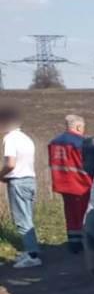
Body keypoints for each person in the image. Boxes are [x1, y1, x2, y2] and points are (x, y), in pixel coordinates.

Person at [48, 114, 94, 254]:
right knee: (84, 215)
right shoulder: (83, 143)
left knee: (70, 215)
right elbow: (90, 165)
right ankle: (85, 243)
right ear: (79, 127)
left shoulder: (54, 142)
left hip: (63, 184)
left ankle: (74, 243)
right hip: (82, 184)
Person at [1, 105, 40, 269]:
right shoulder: (26, 138)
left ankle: (32, 255)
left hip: (18, 182)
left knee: (22, 220)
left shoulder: (10, 139)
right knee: (28, 218)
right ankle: (31, 250)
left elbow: (10, 163)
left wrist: (1, 175)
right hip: (30, 180)